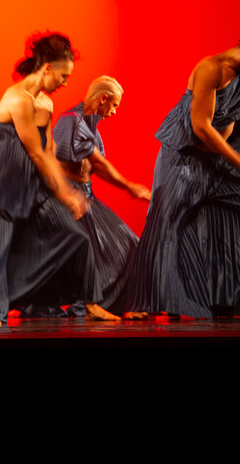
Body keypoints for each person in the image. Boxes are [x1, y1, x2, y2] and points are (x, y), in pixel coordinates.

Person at [118, 25, 240, 319]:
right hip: (183, 158)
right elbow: (200, 126)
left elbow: (233, 121)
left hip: (219, 162)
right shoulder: (210, 68)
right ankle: (141, 304)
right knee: (166, 224)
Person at [0, 32, 120, 321]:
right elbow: (35, 153)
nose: (65, 82)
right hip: (0, 178)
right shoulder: (18, 98)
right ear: (47, 68)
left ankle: (84, 302)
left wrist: (63, 190)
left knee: (75, 238)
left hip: (30, 181)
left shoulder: (45, 104)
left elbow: (48, 151)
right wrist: (64, 193)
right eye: (63, 75)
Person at [52, 76, 151, 314]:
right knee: (92, 251)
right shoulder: (70, 121)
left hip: (86, 196)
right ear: (103, 99)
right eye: (114, 105)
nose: (114, 112)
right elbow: (96, 163)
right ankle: (89, 307)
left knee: (129, 245)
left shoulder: (86, 125)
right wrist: (130, 186)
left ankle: (120, 305)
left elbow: (95, 164)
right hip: (71, 199)